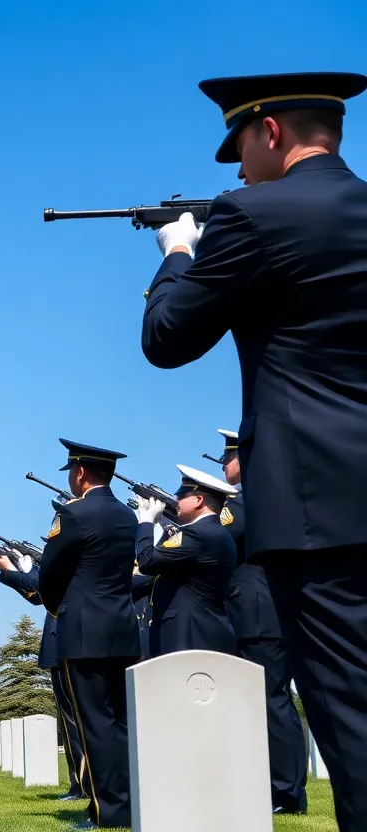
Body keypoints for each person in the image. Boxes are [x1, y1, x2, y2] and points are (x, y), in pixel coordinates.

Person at [139, 71, 367, 830]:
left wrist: (177, 251)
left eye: (238, 146)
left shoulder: (250, 215)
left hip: (318, 513)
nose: (236, 171)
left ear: (268, 131)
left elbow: (167, 340)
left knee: (353, 720)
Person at [38, 439, 140, 830]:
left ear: (79, 473)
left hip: (83, 631)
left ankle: (107, 811)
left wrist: (55, 606)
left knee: (95, 723)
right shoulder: (127, 516)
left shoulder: (73, 514)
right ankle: (131, 801)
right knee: (121, 722)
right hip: (122, 627)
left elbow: (50, 573)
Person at [213, 429, 308, 815]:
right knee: (261, 704)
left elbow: (216, 535)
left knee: (271, 701)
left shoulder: (246, 499)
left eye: (227, 458)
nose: (222, 465)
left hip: (256, 614)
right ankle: (272, 786)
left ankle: (287, 793)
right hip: (257, 612)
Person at [0, 548, 88, 802]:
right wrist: (21, 571)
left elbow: (44, 591)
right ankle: (78, 783)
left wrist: (19, 571)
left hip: (71, 644)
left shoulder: (78, 569)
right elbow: (37, 595)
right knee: (69, 725)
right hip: (60, 646)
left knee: (77, 722)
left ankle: (86, 785)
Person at [133, 465, 237, 657]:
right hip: (199, 632)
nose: (176, 500)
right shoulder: (212, 532)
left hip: (190, 635)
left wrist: (146, 522)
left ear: (199, 500)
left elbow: (147, 561)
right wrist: (168, 532)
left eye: (182, 494)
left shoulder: (197, 534)